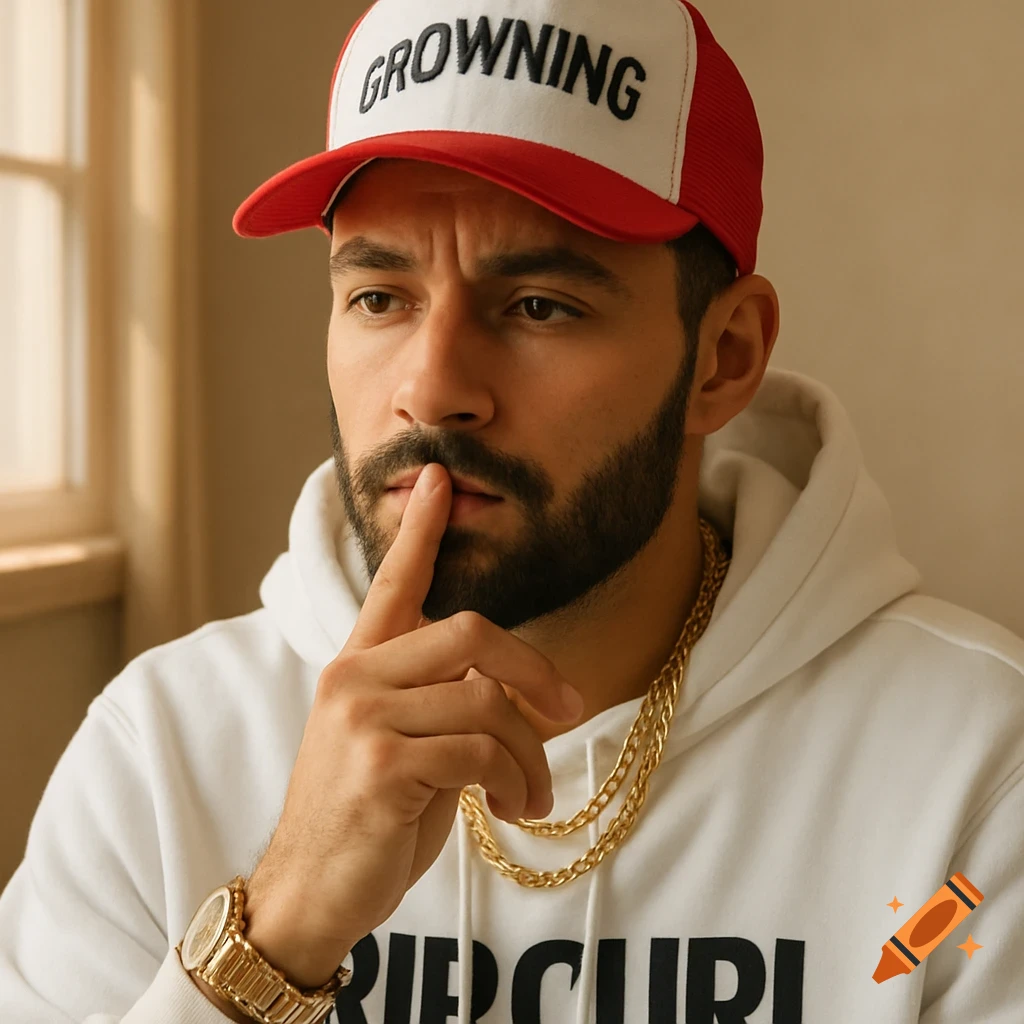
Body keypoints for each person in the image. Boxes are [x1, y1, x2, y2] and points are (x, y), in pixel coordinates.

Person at [1, 0, 1022, 1020]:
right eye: (379, 297)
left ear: (724, 357)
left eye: (539, 306)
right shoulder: (163, 753)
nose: (432, 388)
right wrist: (275, 936)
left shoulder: (975, 774)